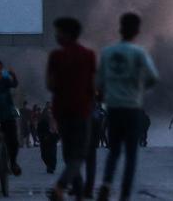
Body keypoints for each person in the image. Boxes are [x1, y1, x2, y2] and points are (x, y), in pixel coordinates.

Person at [96, 12, 160, 201]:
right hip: (132, 107)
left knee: (114, 150)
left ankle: (106, 184)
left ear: (120, 28)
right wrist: (138, 89)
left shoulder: (107, 52)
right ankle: (124, 194)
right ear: (137, 31)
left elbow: (99, 83)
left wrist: (108, 93)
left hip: (113, 108)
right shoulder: (139, 53)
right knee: (131, 154)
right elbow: (153, 77)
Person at [46, 17, 97, 201]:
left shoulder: (56, 56)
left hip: (62, 112)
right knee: (79, 155)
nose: (56, 35)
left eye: (58, 31)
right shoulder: (89, 55)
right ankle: (62, 186)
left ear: (66, 34)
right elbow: (93, 86)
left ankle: (76, 190)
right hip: (82, 111)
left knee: (69, 155)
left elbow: (50, 85)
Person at [38, 102, 60, 173]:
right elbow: (39, 130)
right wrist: (42, 137)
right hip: (44, 139)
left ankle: (51, 167)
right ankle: (49, 165)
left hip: (52, 139)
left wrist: (57, 136)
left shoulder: (55, 118)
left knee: (52, 154)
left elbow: (57, 129)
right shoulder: (42, 121)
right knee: (44, 155)